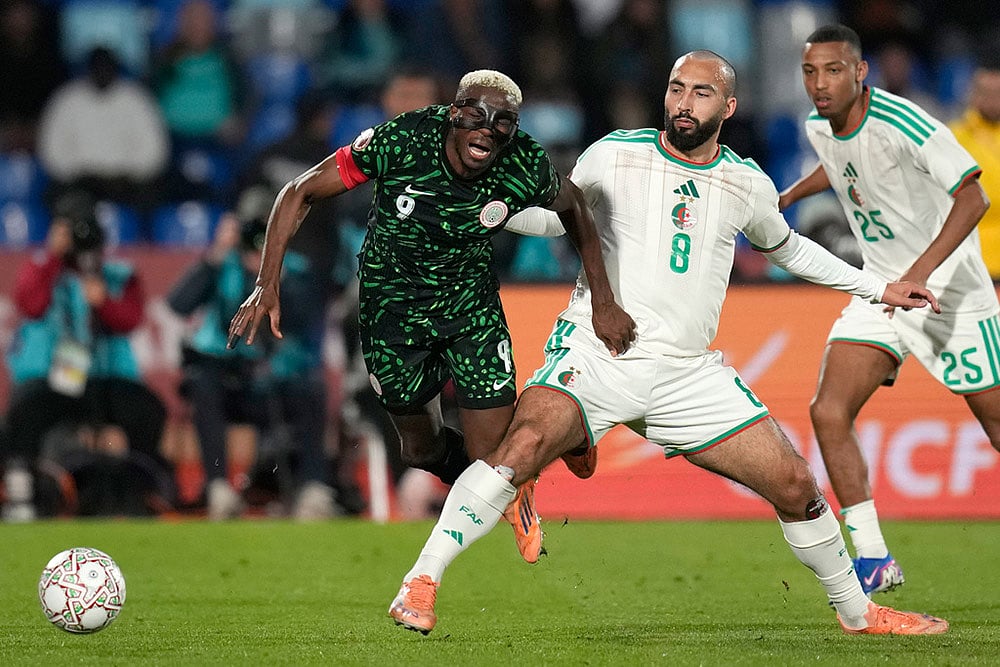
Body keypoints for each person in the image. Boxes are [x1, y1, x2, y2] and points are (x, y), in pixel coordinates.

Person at [386, 50, 949, 637]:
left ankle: (859, 614)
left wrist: (878, 287)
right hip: (598, 354)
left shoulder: (746, 182)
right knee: (516, 450)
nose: (684, 102)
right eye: (677, 88)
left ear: (728, 106)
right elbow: (559, 219)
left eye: (701, 93)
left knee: (796, 486)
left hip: (687, 374)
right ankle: (420, 583)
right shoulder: (615, 153)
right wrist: (495, 212)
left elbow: (789, 250)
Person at [226, 69, 635, 560]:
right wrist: (266, 284)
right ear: (454, 111)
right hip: (391, 313)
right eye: (477, 114)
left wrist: (604, 301)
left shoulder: (524, 160)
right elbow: (298, 191)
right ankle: (514, 481)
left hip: (470, 309)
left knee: (494, 456)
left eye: (503, 122)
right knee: (420, 451)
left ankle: (524, 471)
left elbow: (576, 212)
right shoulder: (401, 140)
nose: (488, 129)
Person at [777, 24, 997, 599]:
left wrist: (919, 273)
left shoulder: (907, 123)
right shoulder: (817, 126)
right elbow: (843, 163)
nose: (819, 84)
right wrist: (790, 197)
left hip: (951, 291)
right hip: (882, 291)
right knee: (828, 411)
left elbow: (975, 196)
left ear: (859, 71)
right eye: (809, 72)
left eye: (831, 71)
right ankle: (873, 558)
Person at [2, 192, 171, 521]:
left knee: (148, 410)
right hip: (56, 377)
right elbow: (30, 305)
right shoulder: (42, 268)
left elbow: (130, 319)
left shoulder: (118, 274)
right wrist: (54, 256)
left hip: (105, 376)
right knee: (24, 412)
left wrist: (103, 300)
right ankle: (23, 487)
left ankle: (141, 488)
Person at [168, 214, 340, 520]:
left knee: (313, 387)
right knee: (203, 384)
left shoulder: (295, 270)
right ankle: (218, 489)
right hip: (232, 382)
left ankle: (313, 490)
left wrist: (276, 274)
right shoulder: (223, 267)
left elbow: (305, 318)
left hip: (277, 384)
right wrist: (215, 257)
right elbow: (178, 304)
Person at [36, 46, 170, 218]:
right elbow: (52, 152)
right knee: (56, 197)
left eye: (107, 67)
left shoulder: (137, 99)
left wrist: (125, 175)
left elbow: (154, 152)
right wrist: (83, 175)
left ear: (116, 68)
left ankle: (142, 242)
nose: (102, 71)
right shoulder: (66, 99)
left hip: (127, 184)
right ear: (88, 69)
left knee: (155, 196)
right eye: (97, 67)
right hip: (80, 183)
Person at [949, 52, 1000, 279]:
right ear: (973, 94)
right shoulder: (953, 137)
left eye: (998, 94)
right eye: (986, 93)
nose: (993, 100)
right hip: (971, 256)